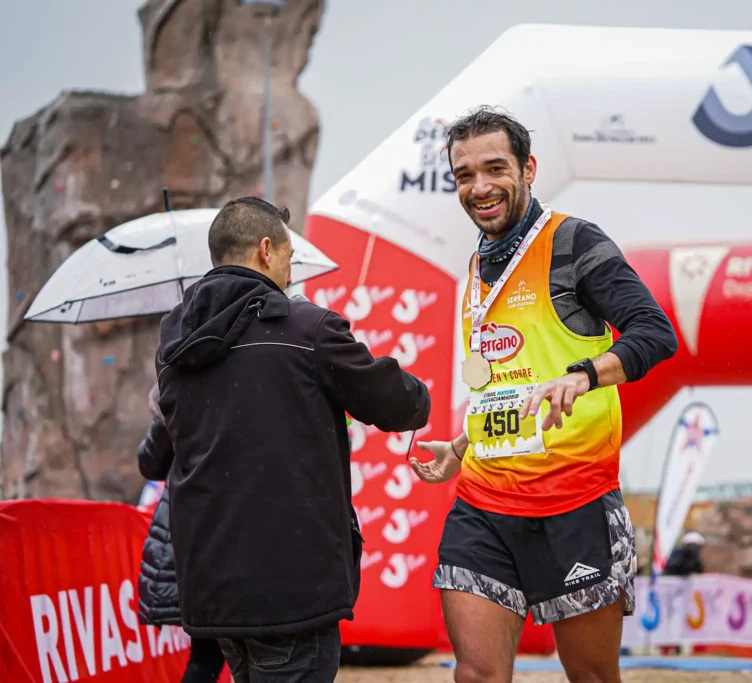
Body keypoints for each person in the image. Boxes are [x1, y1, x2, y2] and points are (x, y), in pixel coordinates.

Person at [409, 107, 678, 683]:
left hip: (574, 504)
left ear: (528, 169)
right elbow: (510, 384)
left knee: (591, 677)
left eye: (494, 169)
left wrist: (583, 375)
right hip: (484, 504)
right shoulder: (479, 265)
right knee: (475, 675)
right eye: (463, 175)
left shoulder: (573, 242)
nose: (479, 187)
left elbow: (655, 333)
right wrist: (461, 446)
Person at [154, 196, 432, 683]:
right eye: (289, 257)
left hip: (210, 589)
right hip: (291, 591)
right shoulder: (306, 329)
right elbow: (398, 404)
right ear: (266, 250)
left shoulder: (175, 342)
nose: (289, 272)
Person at [136, 384, 225, 682]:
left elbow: (149, 462)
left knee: (207, 655)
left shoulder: (181, 382)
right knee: (228, 653)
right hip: (234, 535)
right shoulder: (258, 382)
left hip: (194, 537)